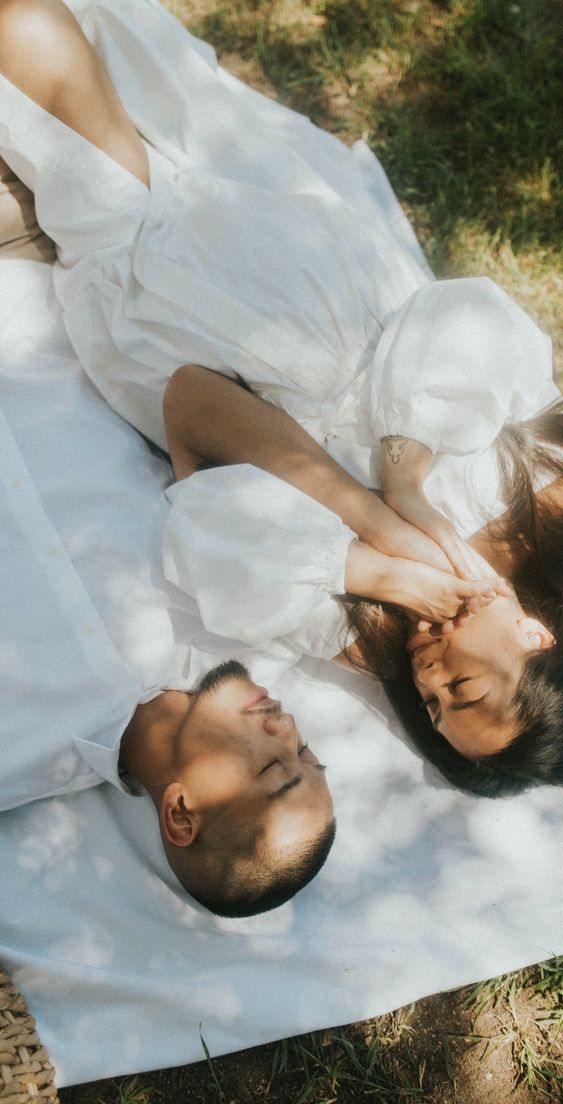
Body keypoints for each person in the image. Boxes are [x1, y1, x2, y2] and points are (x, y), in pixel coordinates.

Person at [0, 0, 563, 798]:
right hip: (282, 266)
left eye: (435, 708)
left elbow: (201, 505)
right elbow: (467, 316)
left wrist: (377, 555)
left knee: (32, 52)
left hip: (148, 305)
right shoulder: (550, 504)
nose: (430, 680)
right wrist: (404, 478)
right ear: (536, 635)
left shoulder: (363, 629)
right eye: (464, 688)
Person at [0, 265, 335, 918]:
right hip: (28, 293)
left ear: (182, 812)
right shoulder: (243, 605)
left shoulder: (16, 752)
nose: (286, 727)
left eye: (272, 767)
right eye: (305, 750)